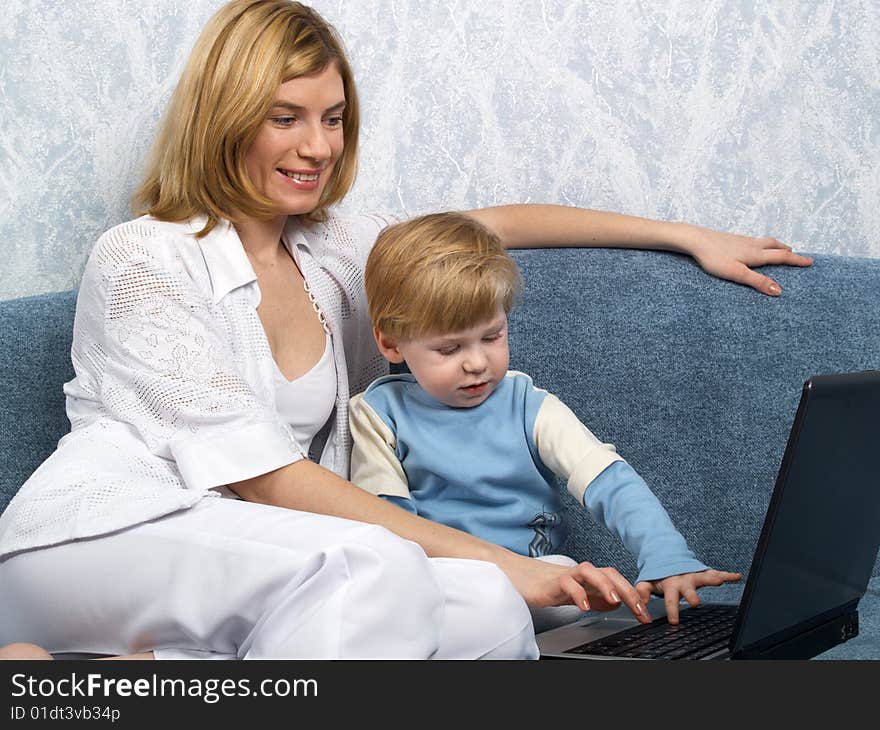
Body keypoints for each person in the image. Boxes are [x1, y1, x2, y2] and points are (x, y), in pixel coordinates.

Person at [0, 0, 810, 660]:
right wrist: (504, 559)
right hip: (101, 537)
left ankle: (122, 682)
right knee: (381, 565)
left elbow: (494, 225)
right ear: (226, 118)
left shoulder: (336, 251)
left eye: (334, 118)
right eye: (286, 117)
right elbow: (269, 482)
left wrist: (686, 236)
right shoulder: (143, 256)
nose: (317, 147)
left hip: (249, 561)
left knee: (489, 611)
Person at [349, 212, 741, 632]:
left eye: (492, 336)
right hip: (440, 582)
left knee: (569, 584)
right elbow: (388, 525)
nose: (477, 363)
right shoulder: (378, 414)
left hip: (540, 578)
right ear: (390, 342)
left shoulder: (528, 405)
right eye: (449, 349)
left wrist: (665, 555)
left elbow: (608, 481)